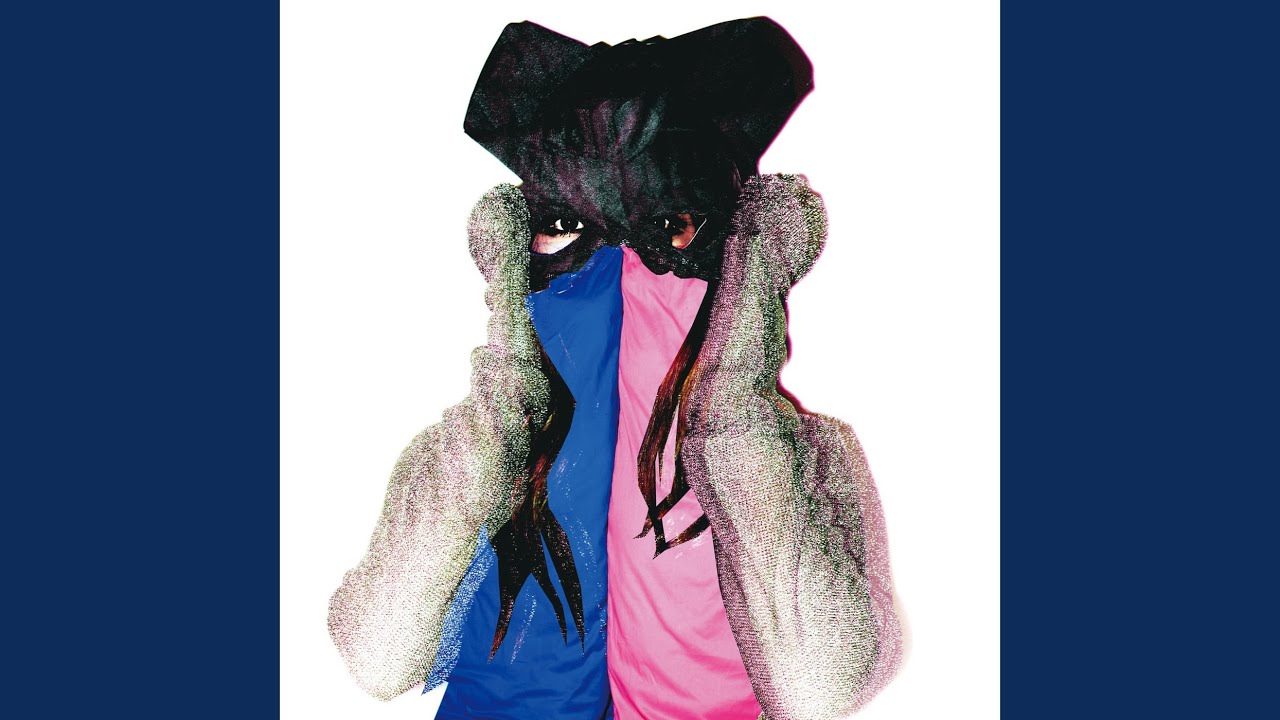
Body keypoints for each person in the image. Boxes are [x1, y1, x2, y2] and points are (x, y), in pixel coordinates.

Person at [329, 18, 901, 720]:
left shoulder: (805, 458)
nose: (624, 271)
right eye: (566, 227)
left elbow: (821, 686)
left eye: (669, 226)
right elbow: (379, 656)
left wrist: (732, 403)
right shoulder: (468, 457)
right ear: (515, 249)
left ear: (740, 248)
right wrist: (502, 411)